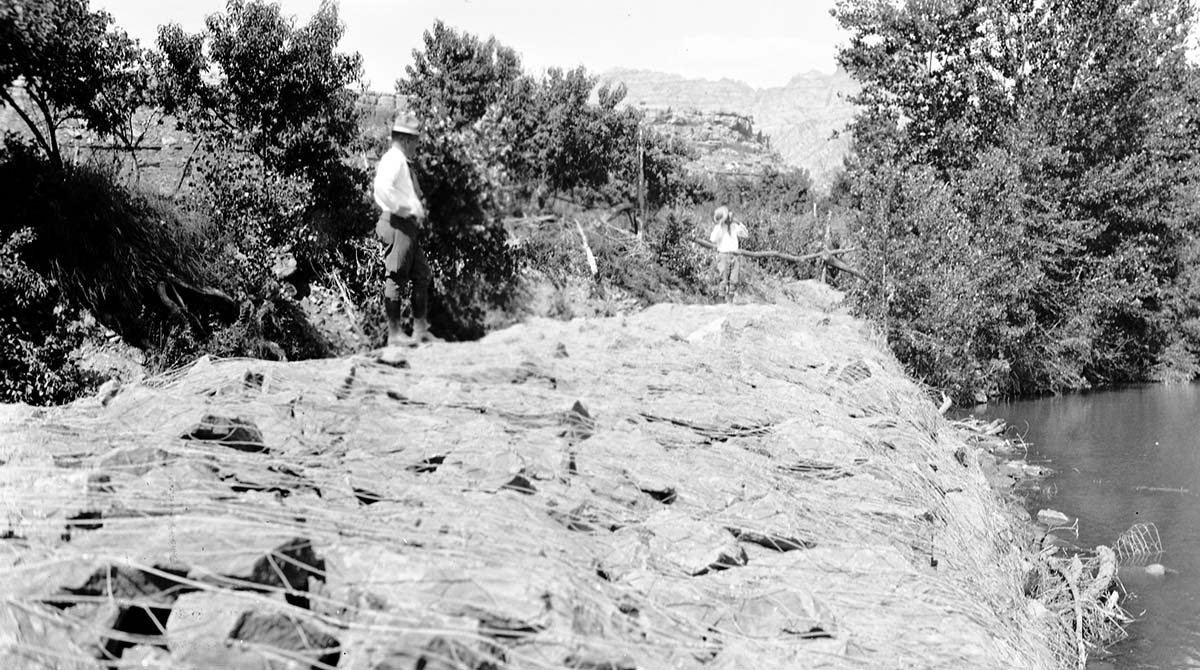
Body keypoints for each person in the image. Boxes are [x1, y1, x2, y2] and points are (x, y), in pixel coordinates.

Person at [374, 111, 442, 362]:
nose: (417, 146)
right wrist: (401, 209)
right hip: (397, 223)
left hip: (407, 226)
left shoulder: (402, 161)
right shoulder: (393, 159)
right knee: (396, 276)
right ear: (405, 140)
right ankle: (394, 335)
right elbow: (382, 188)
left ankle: (420, 330)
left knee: (422, 274)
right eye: (414, 141)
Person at [708, 205, 748, 303]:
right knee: (723, 280)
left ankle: (730, 301)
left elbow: (745, 235)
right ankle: (721, 301)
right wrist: (720, 225)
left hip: (734, 255)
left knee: (734, 280)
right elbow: (712, 239)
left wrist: (738, 223)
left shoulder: (734, 227)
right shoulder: (719, 228)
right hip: (723, 255)